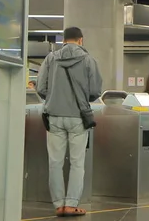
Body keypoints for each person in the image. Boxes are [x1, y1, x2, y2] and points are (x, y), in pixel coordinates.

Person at [37, 27, 102, 217]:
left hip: (54, 117)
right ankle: (71, 204)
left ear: (64, 40)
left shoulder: (50, 59)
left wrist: (55, 97)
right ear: (81, 40)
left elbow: (41, 88)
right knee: (77, 163)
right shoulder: (89, 60)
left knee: (55, 162)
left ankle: (58, 204)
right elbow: (95, 91)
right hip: (78, 117)